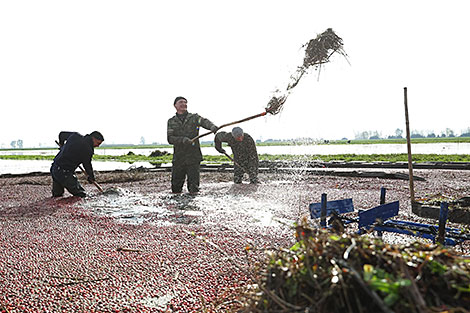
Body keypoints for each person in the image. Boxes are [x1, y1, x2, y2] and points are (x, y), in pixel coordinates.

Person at [167, 96, 219, 194]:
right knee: (176, 187)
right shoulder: (171, 121)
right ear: (175, 105)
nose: (184, 104)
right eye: (181, 102)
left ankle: (192, 208)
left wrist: (212, 127)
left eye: (185, 102)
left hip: (193, 156)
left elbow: (204, 121)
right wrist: (183, 140)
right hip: (179, 158)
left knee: (194, 187)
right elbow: (170, 139)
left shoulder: (194, 118)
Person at [50, 131, 104, 198]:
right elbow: (87, 165)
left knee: (57, 195)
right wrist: (91, 177)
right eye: (98, 143)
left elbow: (62, 135)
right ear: (93, 138)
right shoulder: (88, 149)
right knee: (81, 195)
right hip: (64, 173)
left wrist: (62, 145)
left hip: (54, 168)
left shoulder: (75, 136)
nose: (98, 146)